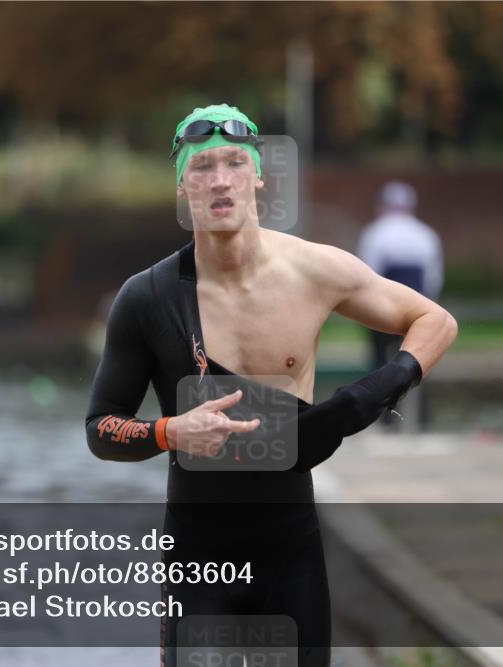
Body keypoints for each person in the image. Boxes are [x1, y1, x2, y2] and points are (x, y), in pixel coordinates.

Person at [85, 104, 457, 667]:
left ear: (258, 176)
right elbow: (100, 428)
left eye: (235, 163)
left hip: (289, 549)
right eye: (202, 167)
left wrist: (366, 397)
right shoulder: (148, 297)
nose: (220, 180)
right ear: (182, 185)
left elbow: (435, 322)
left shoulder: (314, 271)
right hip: (197, 553)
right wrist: (170, 431)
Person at [357, 181, 445, 429]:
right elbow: (433, 279)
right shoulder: (426, 234)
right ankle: (422, 418)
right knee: (420, 362)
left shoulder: (375, 233)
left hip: (384, 309)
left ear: (382, 206)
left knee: (380, 362)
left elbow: (367, 276)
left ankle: (384, 418)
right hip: (419, 308)